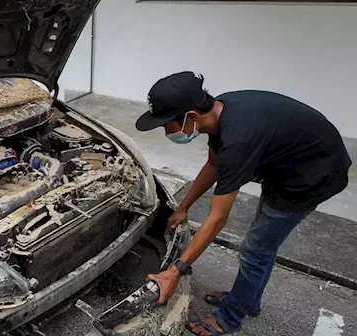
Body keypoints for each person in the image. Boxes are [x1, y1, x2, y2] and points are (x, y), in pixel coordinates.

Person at [136, 71, 351, 336]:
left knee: (255, 249)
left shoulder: (238, 140)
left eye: (165, 124)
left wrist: (176, 271)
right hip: (286, 166)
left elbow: (217, 219)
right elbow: (213, 165)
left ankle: (230, 317)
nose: (165, 131)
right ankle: (247, 300)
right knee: (262, 244)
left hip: (313, 176)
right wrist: (184, 207)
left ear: (191, 116)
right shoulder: (218, 114)